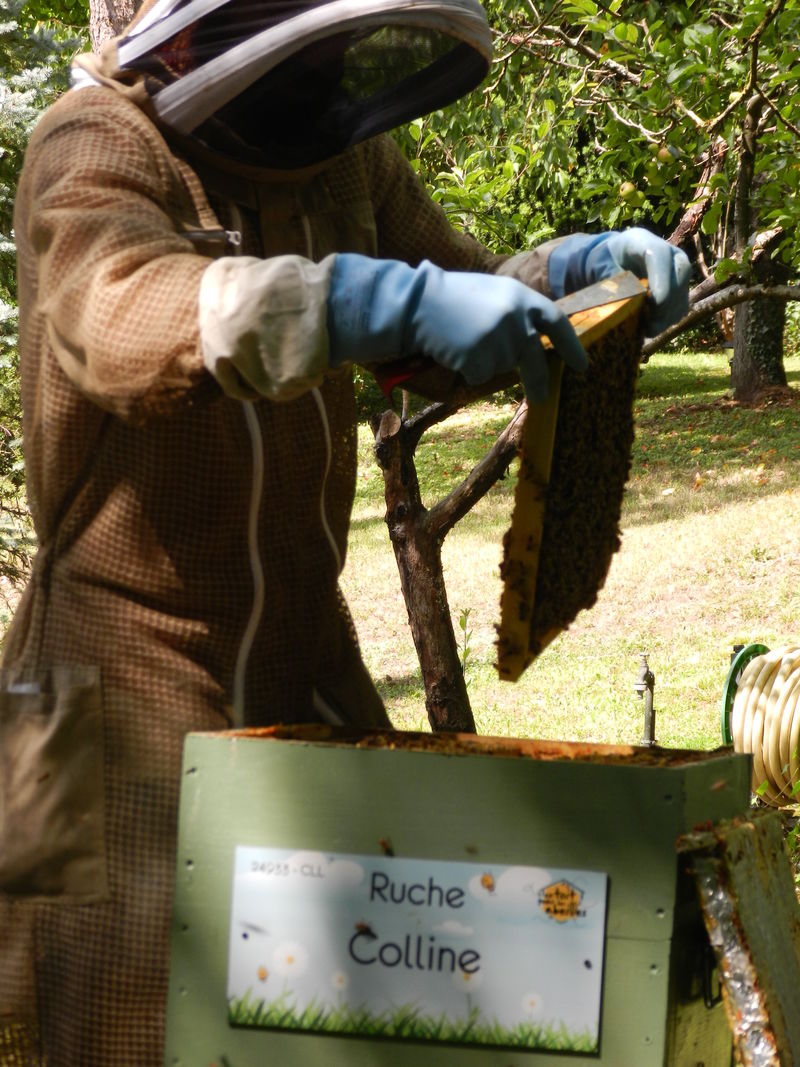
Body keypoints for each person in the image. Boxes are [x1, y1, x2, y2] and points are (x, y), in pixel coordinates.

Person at [0, 0, 691, 1062]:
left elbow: (447, 296)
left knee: (343, 1006)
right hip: (93, 691)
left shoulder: (340, 159)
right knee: (93, 1016)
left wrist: (570, 274)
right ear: (187, 37)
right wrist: (374, 303)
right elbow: (124, 316)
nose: (322, 84)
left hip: (301, 654)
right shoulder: (92, 141)